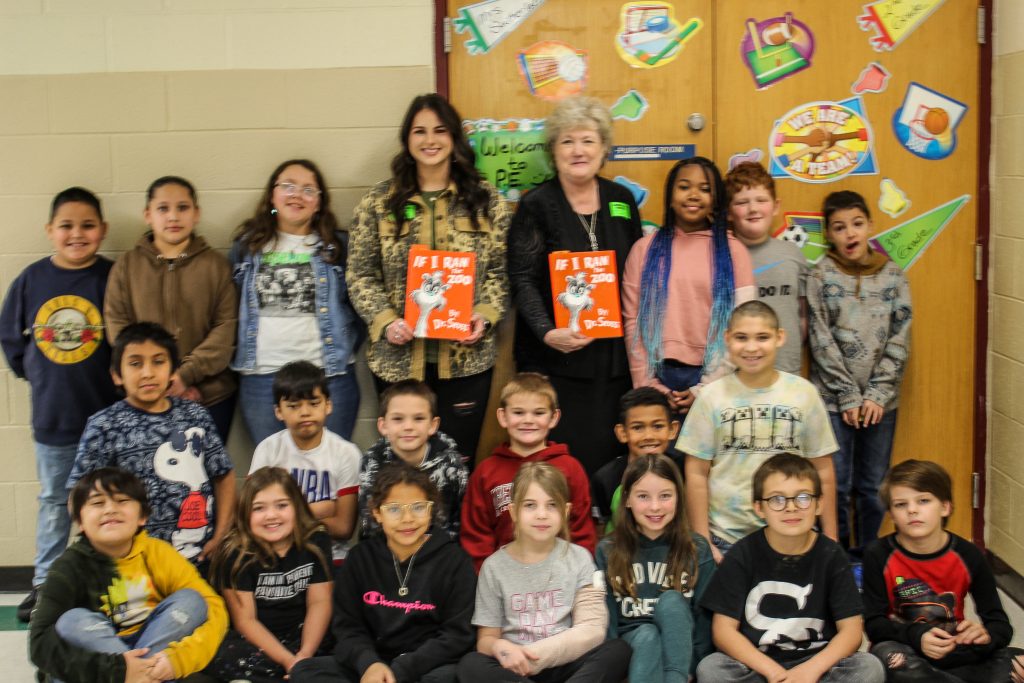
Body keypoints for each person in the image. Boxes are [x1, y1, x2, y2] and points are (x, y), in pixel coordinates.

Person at [348, 93, 510, 459]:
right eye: (419, 131)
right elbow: (360, 274)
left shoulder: (486, 200)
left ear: (454, 137)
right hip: (398, 359)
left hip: (467, 360)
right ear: (407, 140)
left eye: (440, 130)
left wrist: (484, 315)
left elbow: (502, 271)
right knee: (403, 459)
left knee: (457, 458)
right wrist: (386, 321)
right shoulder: (378, 203)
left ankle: (451, 519)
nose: (430, 140)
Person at [0, 187, 119, 622]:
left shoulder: (112, 277)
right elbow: (12, 344)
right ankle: (46, 584)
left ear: (102, 230)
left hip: (106, 420)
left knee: (108, 502)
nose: (77, 234)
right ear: (50, 231)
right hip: (54, 420)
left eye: (87, 225)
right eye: (66, 226)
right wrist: (43, 376)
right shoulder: (31, 280)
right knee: (55, 503)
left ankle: (100, 579)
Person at [508, 96, 642, 474]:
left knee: (610, 455)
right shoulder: (536, 204)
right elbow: (522, 278)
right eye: (567, 141)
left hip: (614, 358)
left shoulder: (622, 200)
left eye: (587, 140)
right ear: (553, 150)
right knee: (562, 463)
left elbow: (634, 272)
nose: (578, 150)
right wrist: (549, 333)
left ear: (604, 148)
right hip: (555, 358)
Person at [696, 454, 884, 683]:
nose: (791, 508)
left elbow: (852, 632)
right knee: (711, 668)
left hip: (818, 666)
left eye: (803, 497)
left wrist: (810, 671)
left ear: (819, 504)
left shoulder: (832, 555)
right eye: (777, 499)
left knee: (868, 666)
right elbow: (723, 631)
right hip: (758, 665)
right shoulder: (742, 554)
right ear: (759, 507)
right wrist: (773, 673)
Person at [29, 468, 227, 683]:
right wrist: (120, 670)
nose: (110, 509)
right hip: (104, 659)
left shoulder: (159, 553)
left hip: (155, 646)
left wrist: (179, 660)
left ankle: (144, 676)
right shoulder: (68, 566)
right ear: (80, 521)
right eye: (97, 503)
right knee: (72, 620)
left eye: (122, 501)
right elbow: (39, 642)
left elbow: (215, 609)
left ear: (142, 517)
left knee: (192, 601)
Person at [69, 321, 236, 572]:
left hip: (196, 558)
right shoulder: (103, 425)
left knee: (200, 609)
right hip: (131, 564)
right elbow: (78, 493)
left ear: (172, 370)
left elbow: (223, 475)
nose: (147, 372)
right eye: (135, 363)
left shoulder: (195, 416)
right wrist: (100, 546)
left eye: (158, 362)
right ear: (117, 374)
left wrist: (221, 534)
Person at [678, 301, 838, 562]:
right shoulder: (711, 397)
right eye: (742, 338)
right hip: (727, 539)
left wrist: (830, 537)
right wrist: (703, 538)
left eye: (762, 337)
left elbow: (823, 469)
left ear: (780, 337)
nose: (752, 347)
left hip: (795, 535)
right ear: (728, 339)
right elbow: (696, 472)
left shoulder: (803, 394)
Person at [291, 462, 477, 683]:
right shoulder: (360, 558)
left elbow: (457, 635)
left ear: (431, 510)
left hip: (425, 665)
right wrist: (369, 664)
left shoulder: (455, 561)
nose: (407, 519)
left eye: (418, 507)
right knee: (305, 671)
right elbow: (347, 628)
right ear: (377, 513)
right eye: (394, 509)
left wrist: (402, 669)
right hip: (372, 664)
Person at [457, 463, 631, 683]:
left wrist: (531, 658)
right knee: (471, 664)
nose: (542, 514)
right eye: (530, 505)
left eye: (552, 505)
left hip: (565, 664)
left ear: (566, 512)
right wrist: (500, 646)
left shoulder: (580, 558)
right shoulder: (493, 567)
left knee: (618, 650)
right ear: (513, 512)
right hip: (514, 670)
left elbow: (592, 629)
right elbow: (486, 640)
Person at [231, 158, 364, 444]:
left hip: (328, 375)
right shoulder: (246, 247)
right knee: (273, 476)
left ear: (319, 202)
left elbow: (360, 306)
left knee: (331, 474)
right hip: (262, 376)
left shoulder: (337, 247)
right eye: (288, 186)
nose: (296, 195)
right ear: (272, 195)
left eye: (308, 190)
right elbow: (229, 306)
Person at [808, 190, 912, 554]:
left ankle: (869, 554)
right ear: (829, 234)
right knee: (835, 483)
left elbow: (901, 338)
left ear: (870, 225)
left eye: (856, 224)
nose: (849, 234)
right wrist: (848, 394)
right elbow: (820, 339)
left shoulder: (894, 276)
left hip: (881, 404)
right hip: (834, 403)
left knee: (871, 485)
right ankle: (837, 554)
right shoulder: (820, 275)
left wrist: (876, 395)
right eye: (839, 227)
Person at [104, 175, 238, 441]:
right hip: (145, 396)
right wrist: (160, 379)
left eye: (183, 208)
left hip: (209, 397)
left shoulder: (216, 266)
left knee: (204, 479)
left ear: (196, 214)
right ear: (148, 215)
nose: (173, 217)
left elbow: (226, 328)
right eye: (163, 208)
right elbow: (118, 326)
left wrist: (186, 376)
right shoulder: (127, 266)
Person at [864, 460, 1024, 682]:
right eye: (900, 504)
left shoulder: (969, 555)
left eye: (923, 500)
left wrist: (986, 636)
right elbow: (874, 624)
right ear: (891, 514)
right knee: (888, 659)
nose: (912, 510)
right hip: (908, 651)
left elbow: (1000, 625)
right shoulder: (877, 554)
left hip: (956, 651)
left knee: (1020, 663)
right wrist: (917, 636)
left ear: (945, 507)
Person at [622, 156, 756, 418]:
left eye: (705, 189)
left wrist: (706, 388)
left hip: (716, 377)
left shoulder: (734, 252)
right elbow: (632, 321)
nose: (694, 195)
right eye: (684, 187)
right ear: (670, 196)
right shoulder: (643, 250)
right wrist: (648, 386)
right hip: (657, 376)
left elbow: (743, 325)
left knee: (705, 460)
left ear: (716, 200)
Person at [206, 467, 333, 682]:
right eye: (258, 508)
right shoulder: (235, 552)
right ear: (245, 513)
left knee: (342, 639)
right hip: (256, 639)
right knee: (225, 656)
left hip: (303, 632)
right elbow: (245, 620)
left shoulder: (316, 540)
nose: (271, 515)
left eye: (282, 505)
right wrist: (288, 661)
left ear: (297, 507)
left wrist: (304, 655)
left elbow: (320, 603)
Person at [596, 454, 715, 683]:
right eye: (643, 496)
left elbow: (704, 622)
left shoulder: (697, 548)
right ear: (627, 499)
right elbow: (607, 622)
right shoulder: (608, 550)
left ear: (679, 497)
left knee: (672, 602)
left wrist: (695, 668)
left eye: (665, 496)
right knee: (646, 635)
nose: (655, 506)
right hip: (631, 656)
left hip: (682, 658)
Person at [460, 373, 596, 571]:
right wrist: (486, 577)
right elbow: (476, 536)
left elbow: (581, 531)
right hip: (504, 578)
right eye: (518, 412)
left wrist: (579, 574)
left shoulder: (570, 469)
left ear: (553, 417)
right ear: (503, 416)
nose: (528, 420)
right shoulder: (486, 472)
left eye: (538, 413)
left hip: (560, 576)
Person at [249, 361, 360, 563]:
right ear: (278, 411)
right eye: (293, 406)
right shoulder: (268, 449)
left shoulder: (346, 453)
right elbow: (253, 516)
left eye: (314, 403)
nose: (305, 412)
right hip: (277, 554)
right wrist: (322, 509)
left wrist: (283, 514)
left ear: (328, 405)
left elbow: (344, 528)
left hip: (330, 556)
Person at [357, 379, 468, 539]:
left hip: (437, 553)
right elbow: (370, 521)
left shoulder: (452, 465)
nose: (408, 426)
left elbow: (458, 521)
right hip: (386, 551)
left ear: (433, 425)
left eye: (418, 418)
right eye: (398, 419)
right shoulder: (372, 463)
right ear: (383, 426)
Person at [725, 161, 806, 375]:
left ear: (776, 206)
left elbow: (804, 316)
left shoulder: (793, 255)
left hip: (786, 372)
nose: (753, 209)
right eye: (742, 202)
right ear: (728, 212)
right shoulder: (721, 257)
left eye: (761, 200)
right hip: (733, 375)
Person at [590, 387, 682, 532]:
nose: (649, 436)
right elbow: (600, 528)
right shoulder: (605, 479)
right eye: (638, 428)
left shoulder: (683, 471)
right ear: (622, 433)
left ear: (673, 429)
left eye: (658, 426)